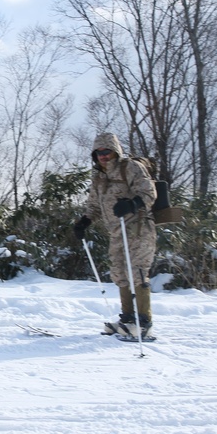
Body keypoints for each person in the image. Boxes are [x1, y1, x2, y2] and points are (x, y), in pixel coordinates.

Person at [74, 132, 158, 338]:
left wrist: (132, 203)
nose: (103, 156)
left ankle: (144, 322)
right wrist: (85, 221)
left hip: (138, 228)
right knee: (119, 272)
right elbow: (94, 204)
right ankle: (127, 318)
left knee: (136, 270)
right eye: (99, 152)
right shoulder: (99, 177)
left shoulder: (130, 167)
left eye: (107, 151)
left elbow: (149, 192)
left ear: (115, 151)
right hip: (116, 231)